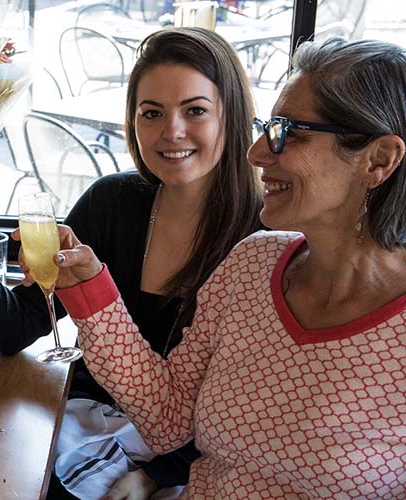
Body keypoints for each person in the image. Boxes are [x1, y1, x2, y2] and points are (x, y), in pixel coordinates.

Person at [0, 28, 262, 499]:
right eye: (152, 113)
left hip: (188, 459)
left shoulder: (260, 243)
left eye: (195, 110)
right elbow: (17, 327)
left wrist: (155, 476)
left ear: (233, 116)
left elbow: (250, 410)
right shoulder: (112, 202)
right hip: (82, 424)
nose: (171, 132)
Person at [52, 38, 406, 497]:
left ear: (378, 160)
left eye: (289, 133)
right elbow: (167, 418)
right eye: (267, 127)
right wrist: (89, 288)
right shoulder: (254, 263)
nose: (258, 152)